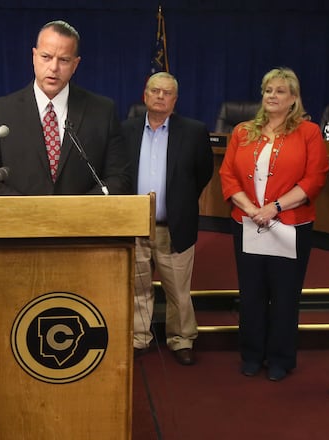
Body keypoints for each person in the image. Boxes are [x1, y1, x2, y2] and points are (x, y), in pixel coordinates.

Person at [219, 68, 329, 381]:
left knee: (284, 294)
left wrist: (274, 208)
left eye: (280, 91)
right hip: (247, 222)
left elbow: (315, 178)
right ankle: (252, 354)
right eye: (268, 90)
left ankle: (280, 357)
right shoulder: (242, 131)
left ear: (293, 98)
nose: (272, 96)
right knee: (251, 292)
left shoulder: (309, 132)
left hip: (291, 225)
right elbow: (227, 175)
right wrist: (251, 209)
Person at [0, 20, 130, 195]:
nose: (54, 68)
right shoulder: (1, 112)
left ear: (75, 64)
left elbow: (118, 178)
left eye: (64, 60)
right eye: (46, 57)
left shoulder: (102, 111)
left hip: (82, 213)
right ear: (34, 56)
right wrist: (30, 209)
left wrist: (78, 208)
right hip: (18, 213)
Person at [121, 72, 213, 366]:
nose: (160, 96)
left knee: (178, 291)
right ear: (145, 96)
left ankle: (181, 339)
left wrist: (178, 203)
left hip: (174, 227)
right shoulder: (125, 130)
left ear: (175, 100)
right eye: (155, 91)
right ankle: (139, 338)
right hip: (135, 226)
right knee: (138, 288)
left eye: (167, 92)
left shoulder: (194, 131)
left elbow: (203, 173)